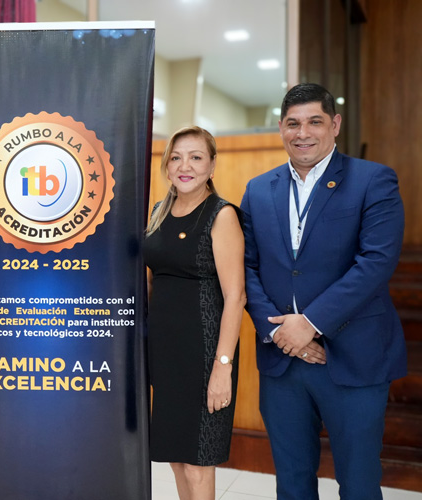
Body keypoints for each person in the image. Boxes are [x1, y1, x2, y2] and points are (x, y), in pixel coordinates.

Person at [241, 83, 406, 499]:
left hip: (354, 358)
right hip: (283, 362)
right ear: (280, 128)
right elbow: (247, 266)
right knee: (292, 483)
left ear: (334, 125)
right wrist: (281, 332)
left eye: (315, 121)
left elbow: (375, 263)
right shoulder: (259, 190)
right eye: (293, 123)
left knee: (358, 483)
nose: (303, 133)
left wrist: (310, 325)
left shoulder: (373, 180)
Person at [143, 126, 246, 499]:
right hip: (166, 352)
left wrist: (223, 366)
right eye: (176, 157)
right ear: (167, 166)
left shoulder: (221, 216)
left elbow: (236, 297)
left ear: (212, 166)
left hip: (204, 354)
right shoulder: (158, 212)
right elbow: (152, 281)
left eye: (196, 157)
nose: (185, 166)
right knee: (175, 454)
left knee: (198, 461)